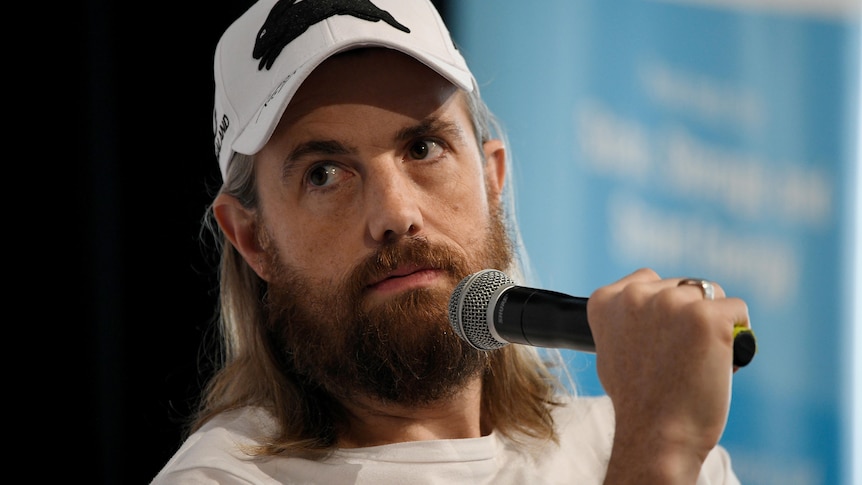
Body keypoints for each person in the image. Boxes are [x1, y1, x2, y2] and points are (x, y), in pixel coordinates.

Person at [152, 0, 753, 483]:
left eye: (423, 148)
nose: (395, 213)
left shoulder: (620, 440)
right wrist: (658, 460)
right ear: (252, 240)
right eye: (325, 174)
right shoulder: (222, 478)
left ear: (492, 180)